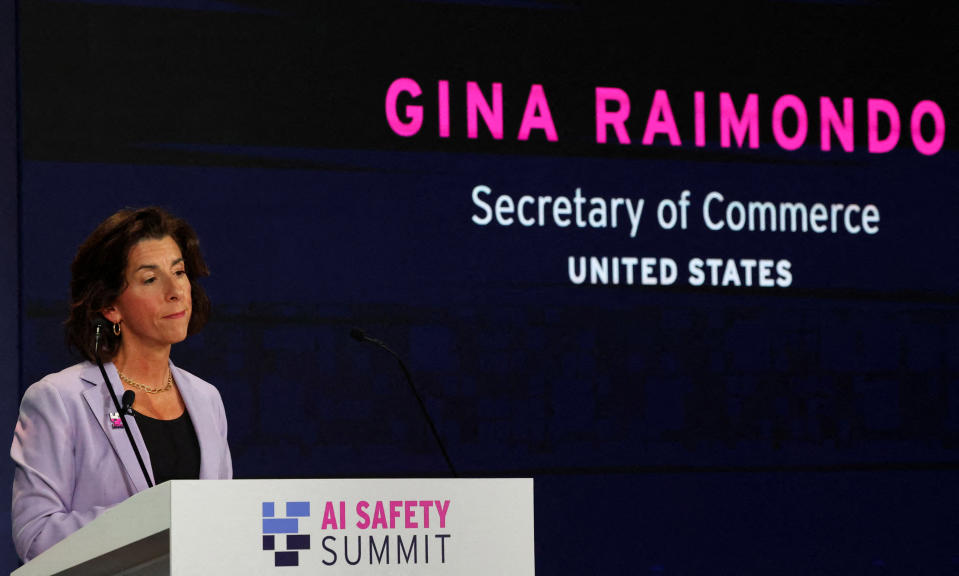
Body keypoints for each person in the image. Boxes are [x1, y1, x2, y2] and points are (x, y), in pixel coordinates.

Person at [10, 207, 232, 562]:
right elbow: (36, 536)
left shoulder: (207, 399)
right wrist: (151, 521)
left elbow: (222, 526)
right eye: (150, 279)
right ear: (111, 307)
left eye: (179, 271)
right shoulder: (58, 399)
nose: (175, 291)